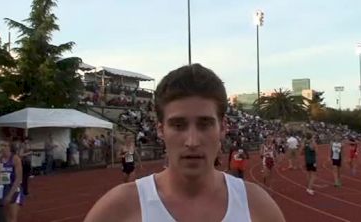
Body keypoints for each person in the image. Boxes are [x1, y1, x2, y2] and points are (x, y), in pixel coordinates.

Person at [84, 64, 285, 222]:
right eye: (178, 125)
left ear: (223, 128)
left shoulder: (258, 207)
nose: (192, 141)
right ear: (160, 129)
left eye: (205, 124)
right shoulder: (119, 209)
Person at [0, 140, 24, 222]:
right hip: (5, 188)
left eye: (5, 145)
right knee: (6, 217)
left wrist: (10, 195)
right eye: (1, 145)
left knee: (12, 218)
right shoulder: (1, 157)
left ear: (10, 147)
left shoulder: (15, 158)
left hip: (15, 189)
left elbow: (18, 179)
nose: (2, 147)